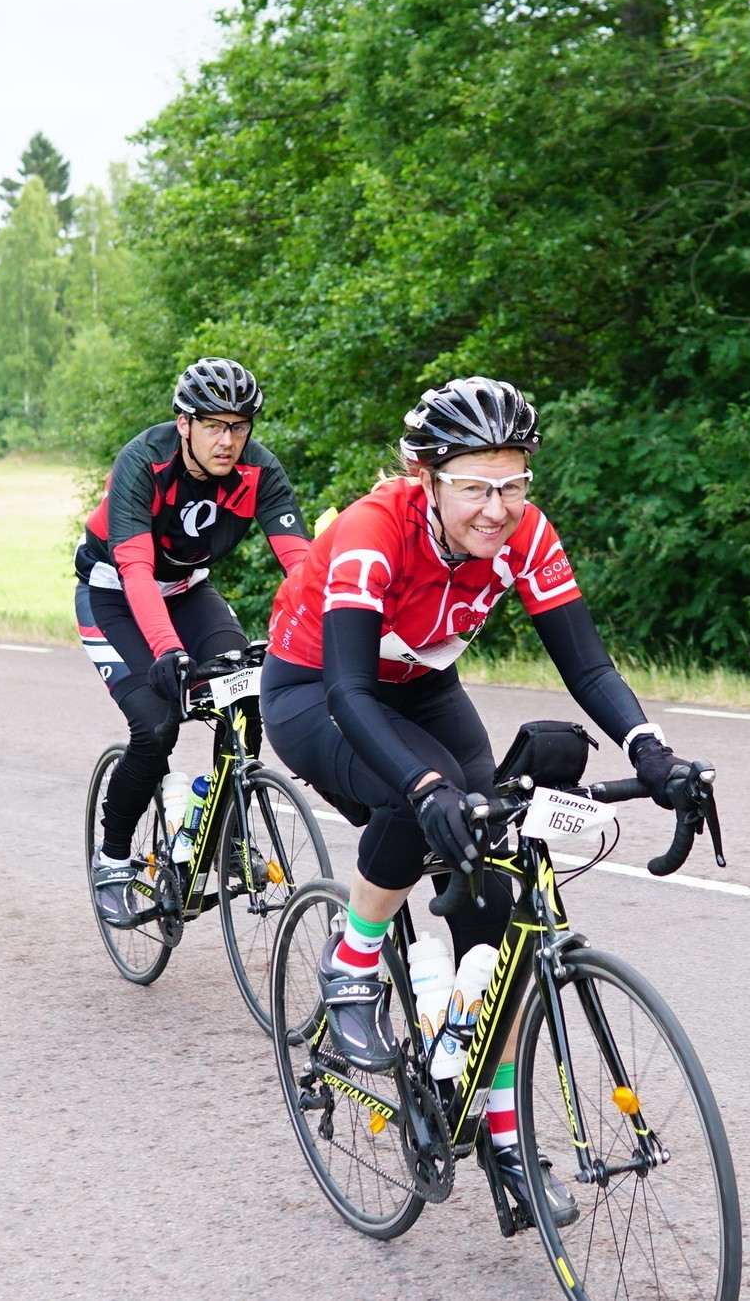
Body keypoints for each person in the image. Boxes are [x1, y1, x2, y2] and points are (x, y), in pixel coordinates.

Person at [260, 375, 704, 1227]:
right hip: (317, 690)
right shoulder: (372, 533)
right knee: (419, 798)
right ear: (426, 478)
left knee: (495, 907)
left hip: (426, 687)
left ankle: (503, 1139)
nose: (497, 509)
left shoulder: (527, 534)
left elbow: (588, 665)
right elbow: (351, 692)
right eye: (474, 487)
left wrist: (652, 752)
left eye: (513, 484)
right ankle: (352, 962)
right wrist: (425, 787)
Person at [78, 357, 311, 925]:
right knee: (157, 727)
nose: (227, 441)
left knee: (244, 691)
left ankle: (226, 832)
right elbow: (135, 569)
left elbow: (302, 565)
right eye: (213, 426)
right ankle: (112, 859)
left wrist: (322, 632)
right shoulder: (143, 461)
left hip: (188, 590)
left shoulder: (260, 470)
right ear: (184, 424)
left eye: (239, 426)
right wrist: (167, 649)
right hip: (115, 594)